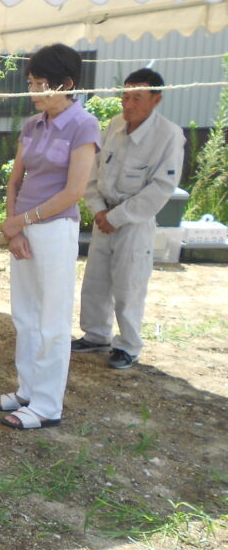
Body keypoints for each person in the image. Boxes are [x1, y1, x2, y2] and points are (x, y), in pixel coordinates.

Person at [0, 44, 100, 430]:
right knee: (25, 314)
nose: (34, 92)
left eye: (41, 84)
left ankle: (48, 404)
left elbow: (74, 191)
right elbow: (15, 180)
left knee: (52, 318)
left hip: (55, 229)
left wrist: (23, 221)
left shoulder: (84, 124)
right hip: (25, 228)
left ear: (66, 84)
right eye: (31, 84)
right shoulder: (32, 125)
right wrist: (15, 226)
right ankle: (28, 390)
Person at [73, 68, 184, 369]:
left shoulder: (168, 135)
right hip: (104, 215)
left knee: (128, 285)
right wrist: (98, 210)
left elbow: (162, 188)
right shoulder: (114, 125)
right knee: (96, 280)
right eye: (125, 97)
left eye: (137, 98)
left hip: (134, 221)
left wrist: (118, 216)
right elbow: (94, 170)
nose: (129, 104)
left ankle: (128, 345)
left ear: (156, 100)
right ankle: (96, 334)